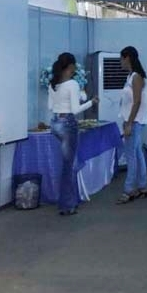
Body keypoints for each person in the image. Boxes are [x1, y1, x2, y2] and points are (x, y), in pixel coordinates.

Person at [48, 52, 98, 216]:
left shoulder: (53, 84)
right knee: (69, 167)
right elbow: (76, 109)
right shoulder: (73, 84)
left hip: (55, 123)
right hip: (68, 123)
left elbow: (50, 106)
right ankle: (67, 204)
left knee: (67, 164)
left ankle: (68, 200)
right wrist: (91, 102)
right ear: (71, 66)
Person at [116, 46, 147, 205]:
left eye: (121, 59)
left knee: (131, 155)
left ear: (127, 58)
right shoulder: (132, 76)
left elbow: (137, 101)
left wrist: (129, 123)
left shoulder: (135, 77)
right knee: (137, 153)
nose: (120, 62)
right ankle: (142, 186)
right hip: (134, 120)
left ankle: (129, 189)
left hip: (134, 121)